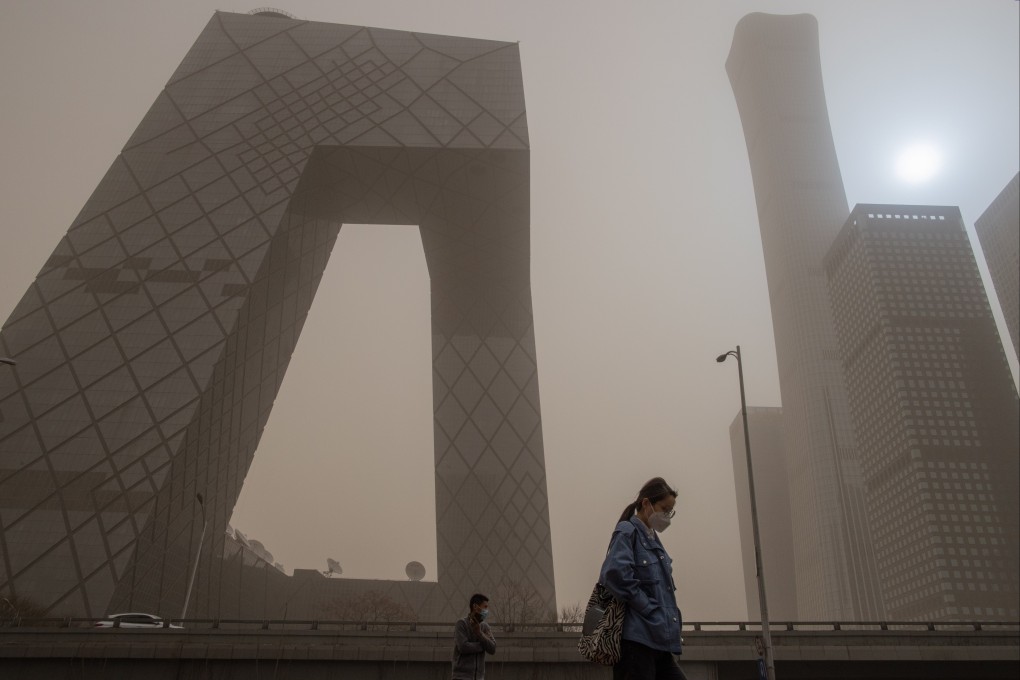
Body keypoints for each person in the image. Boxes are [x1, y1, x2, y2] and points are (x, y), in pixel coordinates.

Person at [600, 477, 687, 680]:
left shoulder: (654, 540)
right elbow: (615, 574)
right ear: (646, 503)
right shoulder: (627, 531)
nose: (667, 516)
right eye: (664, 509)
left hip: (658, 641)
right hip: (636, 642)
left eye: (670, 511)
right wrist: (648, 608)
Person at [452, 592, 496, 679]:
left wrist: (480, 634)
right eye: (485, 607)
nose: (486, 611)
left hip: (479, 677)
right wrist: (483, 645)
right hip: (461, 677)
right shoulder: (461, 624)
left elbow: (492, 648)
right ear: (475, 606)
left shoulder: (485, 627)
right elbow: (463, 647)